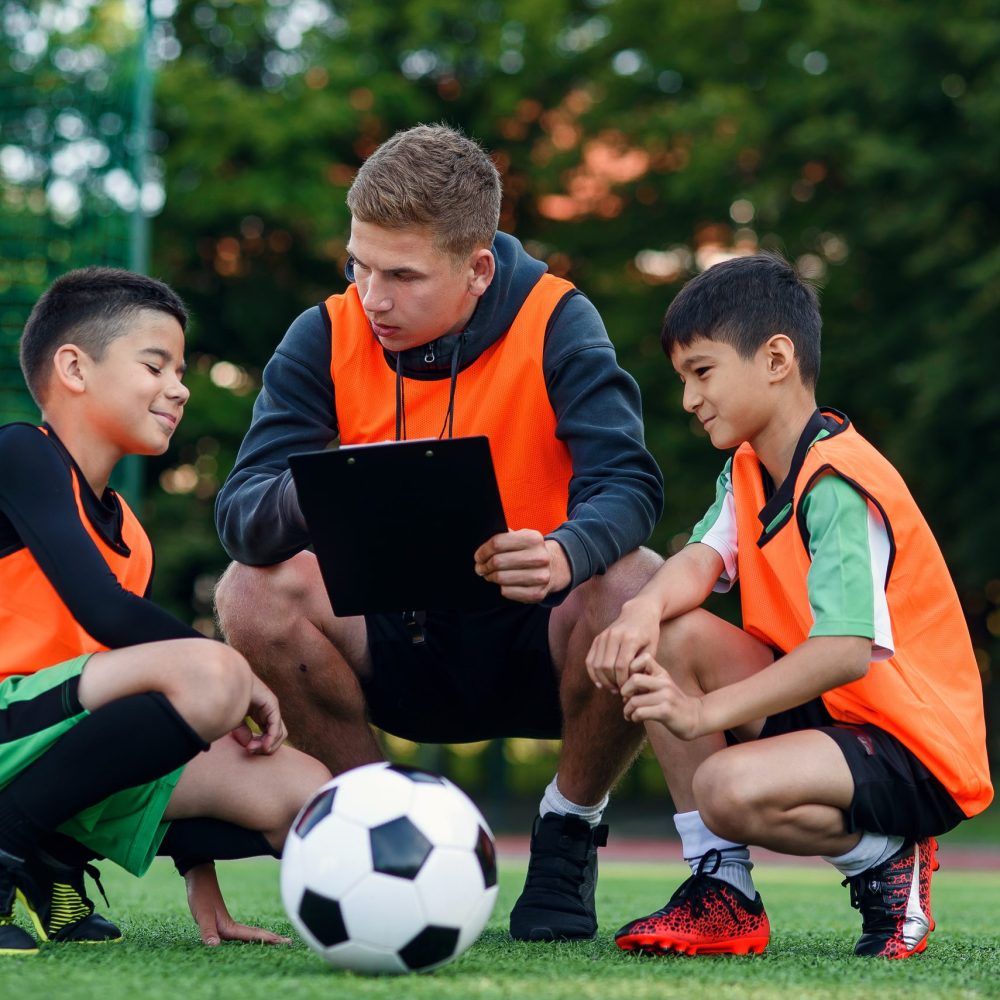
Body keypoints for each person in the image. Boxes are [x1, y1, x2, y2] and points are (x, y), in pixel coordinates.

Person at [213, 123, 664, 942]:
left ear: (477, 268)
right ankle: (377, 829)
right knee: (249, 592)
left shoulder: (557, 318)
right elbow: (240, 514)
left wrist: (566, 552)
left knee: (638, 580)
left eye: (402, 275)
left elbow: (630, 485)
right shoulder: (323, 332)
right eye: (359, 264)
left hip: (538, 636)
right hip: (391, 641)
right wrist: (334, 487)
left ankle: (569, 830)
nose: (371, 296)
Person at [586, 253, 992, 959]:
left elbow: (843, 651)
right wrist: (639, 613)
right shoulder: (750, 466)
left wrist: (705, 715)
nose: (688, 399)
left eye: (702, 372)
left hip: (912, 746)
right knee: (672, 635)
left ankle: (886, 863)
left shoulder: (837, 480)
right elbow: (700, 559)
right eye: (684, 379)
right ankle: (724, 892)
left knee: (724, 787)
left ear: (776, 358)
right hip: (836, 718)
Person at [0, 267, 331, 956]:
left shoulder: (132, 536)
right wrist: (232, 669)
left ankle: (47, 856)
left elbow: (152, 717)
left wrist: (201, 887)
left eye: (181, 370)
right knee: (211, 675)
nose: (179, 387)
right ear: (73, 368)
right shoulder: (20, 453)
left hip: (49, 741)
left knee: (307, 792)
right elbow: (106, 614)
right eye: (156, 365)